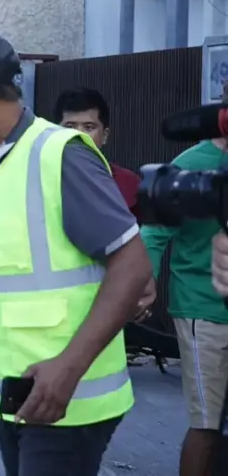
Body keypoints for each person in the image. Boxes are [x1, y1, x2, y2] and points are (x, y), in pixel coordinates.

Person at [0, 29, 154, 476]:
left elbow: (132, 267)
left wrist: (68, 368)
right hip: (12, 392)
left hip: (70, 396)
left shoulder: (61, 155)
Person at [141, 128, 228, 476]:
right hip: (202, 311)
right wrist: (144, 282)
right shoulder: (191, 166)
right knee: (206, 424)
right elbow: (155, 232)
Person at [53, 88, 140, 218]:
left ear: (105, 135)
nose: (79, 135)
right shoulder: (38, 179)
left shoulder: (129, 184)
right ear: (54, 131)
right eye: (70, 126)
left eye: (89, 127)